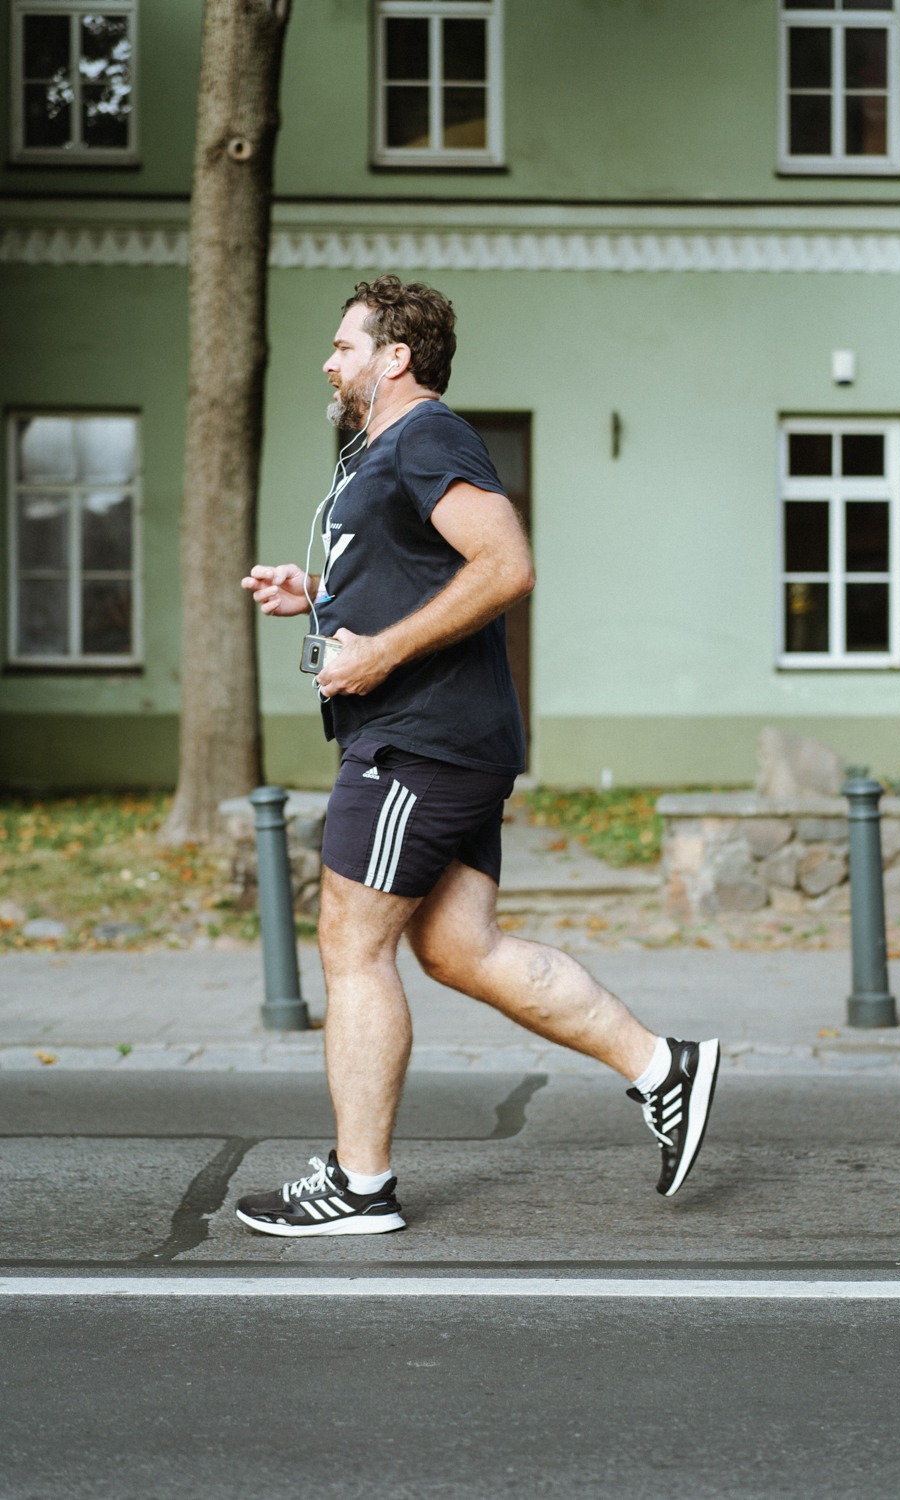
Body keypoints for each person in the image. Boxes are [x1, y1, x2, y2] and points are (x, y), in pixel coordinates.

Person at [235, 275, 719, 1237]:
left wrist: (375, 653)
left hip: (420, 739)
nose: (328, 362)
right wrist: (322, 594)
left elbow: (505, 565)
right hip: (440, 738)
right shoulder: (374, 450)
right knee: (460, 948)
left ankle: (359, 1184)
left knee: (351, 945)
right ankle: (667, 1068)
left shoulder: (427, 434)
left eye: (343, 346)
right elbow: (418, 566)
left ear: (394, 357)